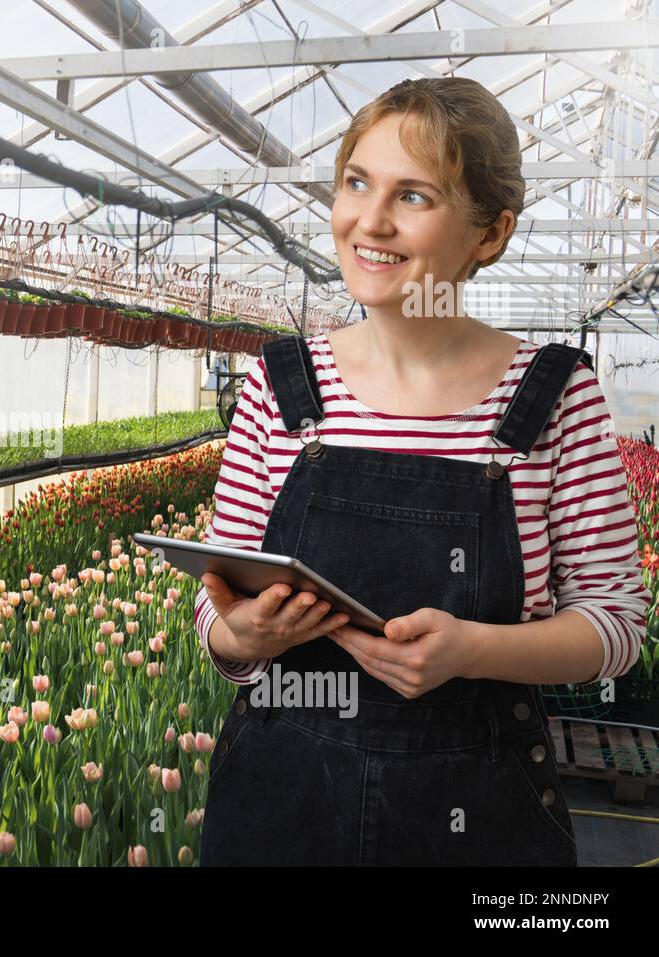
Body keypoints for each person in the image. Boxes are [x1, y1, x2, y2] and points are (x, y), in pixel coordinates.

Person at [194, 77, 650, 866]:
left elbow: (615, 626)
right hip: (283, 793)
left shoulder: (551, 396)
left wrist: (470, 648)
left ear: (489, 231)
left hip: (477, 799)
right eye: (356, 182)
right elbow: (217, 613)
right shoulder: (280, 385)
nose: (369, 221)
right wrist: (241, 635)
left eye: (414, 196)